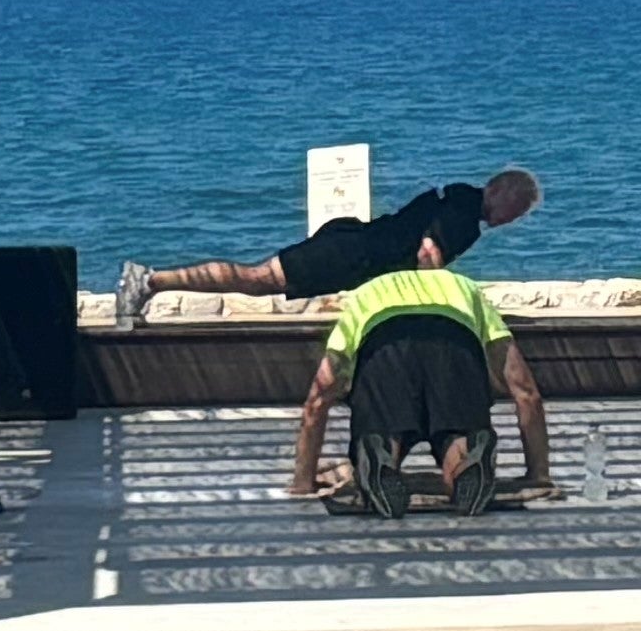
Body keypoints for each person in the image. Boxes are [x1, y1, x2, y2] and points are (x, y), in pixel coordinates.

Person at [293, 254, 554, 516]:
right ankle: (466, 462)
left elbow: (319, 397)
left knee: (386, 435)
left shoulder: (369, 291)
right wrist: (538, 474)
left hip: (385, 350)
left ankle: (380, 459)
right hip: (454, 347)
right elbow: (525, 391)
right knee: (455, 438)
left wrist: (303, 481)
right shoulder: (462, 286)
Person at [118, 167, 542, 324]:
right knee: (256, 278)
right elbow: (427, 254)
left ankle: (153, 281)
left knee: (258, 278)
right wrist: (442, 303)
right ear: (500, 190)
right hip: (351, 253)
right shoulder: (465, 215)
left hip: (352, 247)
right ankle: (152, 279)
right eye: (517, 208)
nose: (515, 219)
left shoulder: (459, 199)